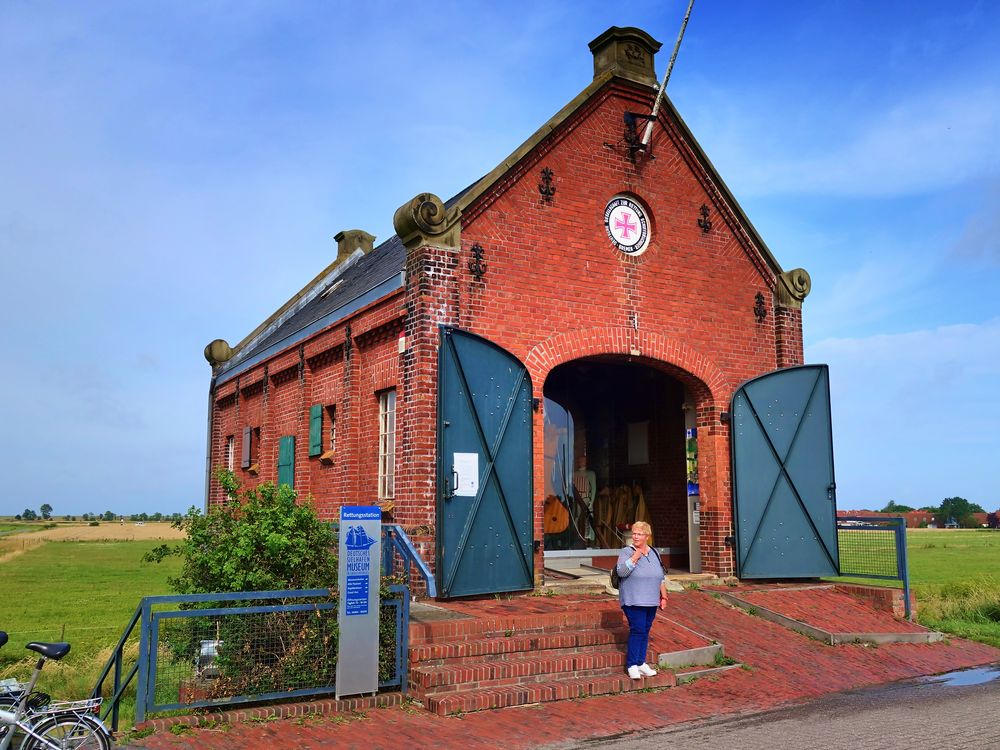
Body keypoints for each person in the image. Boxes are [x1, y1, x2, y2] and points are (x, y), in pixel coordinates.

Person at [614, 520, 667, 679]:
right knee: (637, 629)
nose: (635, 537)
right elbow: (621, 572)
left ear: (647, 536)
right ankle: (632, 665)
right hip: (633, 599)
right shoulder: (627, 551)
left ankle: (641, 662)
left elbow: (660, 577)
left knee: (645, 629)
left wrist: (663, 596)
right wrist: (635, 557)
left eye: (639, 534)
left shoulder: (654, 552)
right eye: (634, 534)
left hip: (651, 599)